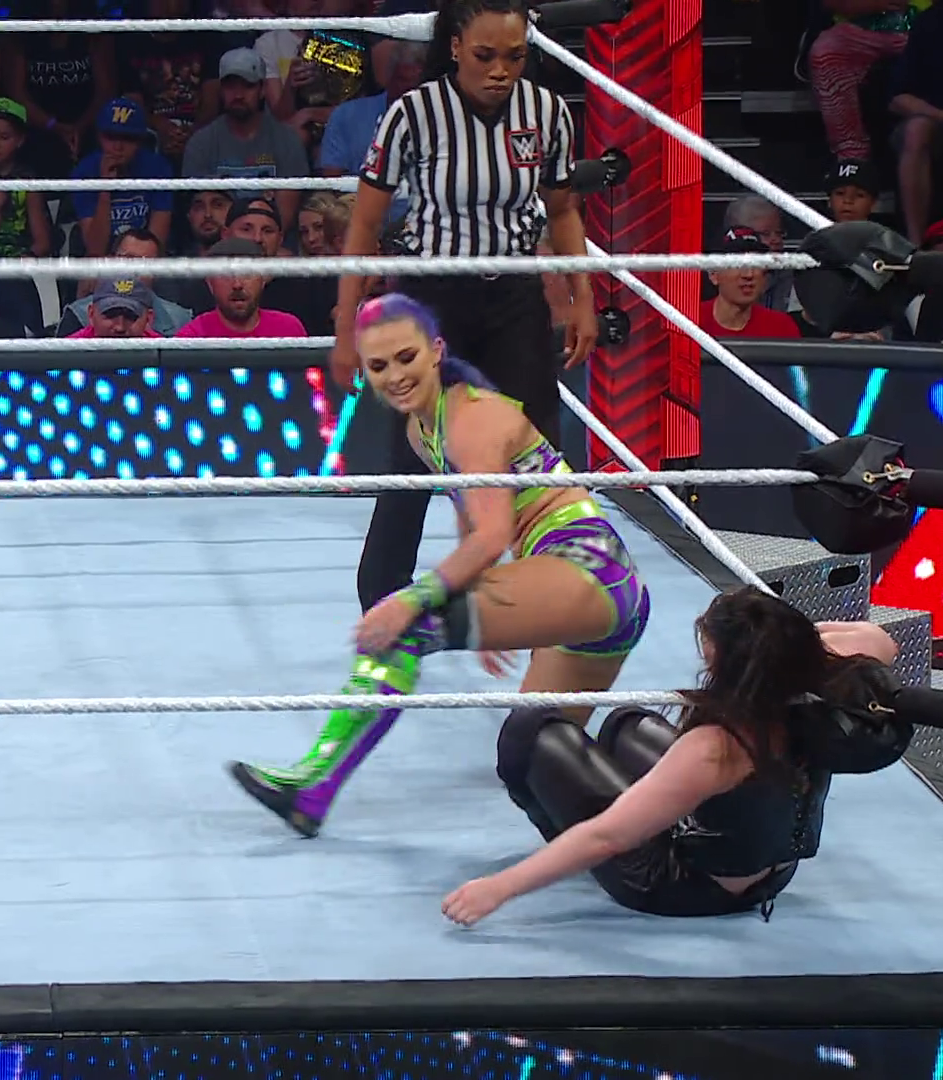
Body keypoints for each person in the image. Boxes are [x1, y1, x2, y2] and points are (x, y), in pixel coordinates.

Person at [228, 294, 651, 837]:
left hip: (587, 568)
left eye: (406, 357)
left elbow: (493, 533)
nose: (395, 376)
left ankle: (311, 789)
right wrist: (496, 602)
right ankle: (648, 825)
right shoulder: (422, 429)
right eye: (379, 365)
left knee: (403, 630)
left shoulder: (470, 418)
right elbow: (474, 515)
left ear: (436, 351)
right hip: (590, 585)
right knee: (531, 752)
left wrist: (410, 599)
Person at [333, 0, 602, 615]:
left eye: (514, 56)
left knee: (537, 449)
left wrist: (583, 296)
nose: (500, 70)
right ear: (455, 47)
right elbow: (365, 222)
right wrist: (347, 327)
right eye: (485, 55)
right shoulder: (414, 114)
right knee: (415, 452)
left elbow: (563, 209)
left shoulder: (546, 111)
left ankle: (550, 590)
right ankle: (383, 608)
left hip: (513, 292)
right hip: (434, 298)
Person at [442, 587, 901, 925]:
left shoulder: (717, 749)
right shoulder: (827, 684)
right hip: (775, 872)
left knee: (530, 730)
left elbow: (606, 836)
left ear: (726, 664)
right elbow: (880, 638)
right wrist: (786, 645)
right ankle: (668, 814)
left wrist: (498, 888)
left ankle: (573, 841)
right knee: (626, 724)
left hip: (687, 888)